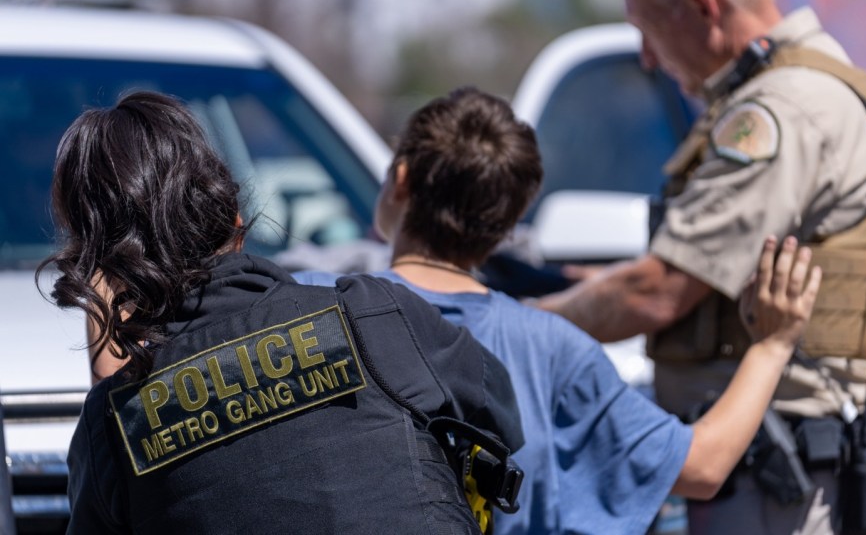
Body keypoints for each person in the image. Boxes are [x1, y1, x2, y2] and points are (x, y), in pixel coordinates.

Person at [295, 87, 822, 535]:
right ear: (510, 222)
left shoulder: (303, 306)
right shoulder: (550, 348)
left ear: (402, 178)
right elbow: (703, 465)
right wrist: (773, 345)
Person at [535, 0, 866, 533]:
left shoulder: (780, 110)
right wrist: (595, 283)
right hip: (804, 465)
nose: (647, 57)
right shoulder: (824, 84)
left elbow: (659, 290)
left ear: (704, 5)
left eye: (647, 28)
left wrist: (518, 322)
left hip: (779, 479)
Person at [38, 91, 524, 534]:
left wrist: (113, 385)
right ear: (235, 219)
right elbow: (501, 413)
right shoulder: (373, 315)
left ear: (101, 273)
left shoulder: (114, 425)